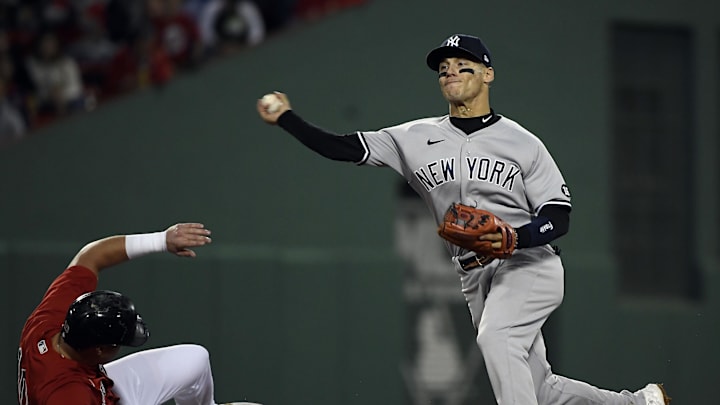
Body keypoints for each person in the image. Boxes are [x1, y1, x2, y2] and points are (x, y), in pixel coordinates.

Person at [256, 34, 671, 405]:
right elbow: (341, 148)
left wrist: (516, 237)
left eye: (462, 64)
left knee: (497, 338)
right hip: (474, 276)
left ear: (488, 74)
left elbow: (558, 217)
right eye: (443, 68)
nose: (450, 71)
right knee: (536, 387)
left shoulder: (522, 142)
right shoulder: (413, 137)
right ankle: (640, 403)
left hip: (530, 264)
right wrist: (287, 119)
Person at [17, 222, 261, 405]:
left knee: (195, 359)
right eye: (118, 343)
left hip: (96, 382)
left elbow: (90, 257)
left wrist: (161, 240)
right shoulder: (68, 396)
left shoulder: (48, 321)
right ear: (100, 349)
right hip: (87, 392)